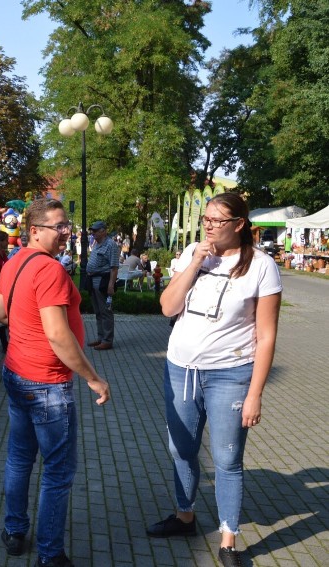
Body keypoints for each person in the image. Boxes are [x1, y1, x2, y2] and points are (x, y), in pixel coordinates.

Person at [146, 193, 281, 567]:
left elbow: (267, 335)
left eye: (216, 221)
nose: (207, 225)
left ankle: (228, 541)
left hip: (231, 374)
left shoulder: (262, 266)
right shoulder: (194, 252)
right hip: (180, 369)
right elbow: (167, 307)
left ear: (238, 225)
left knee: (227, 458)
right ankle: (184, 516)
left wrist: (255, 394)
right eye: (205, 219)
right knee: (181, 449)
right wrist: (194, 263)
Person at [0, 198, 110, 567]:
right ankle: (49, 554)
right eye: (58, 226)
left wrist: (25, 326)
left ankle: (14, 531)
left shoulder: (14, 262)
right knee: (57, 472)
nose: (66, 232)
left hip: (16, 373)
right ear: (35, 231)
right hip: (46, 385)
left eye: (66, 225)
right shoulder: (51, 270)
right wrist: (93, 378)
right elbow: (60, 337)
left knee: (20, 457)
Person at [85, 220, 119, 350]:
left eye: (95, 231)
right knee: (98, 311)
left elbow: (114, 267)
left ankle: (107, 340)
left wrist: (111, 285)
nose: (93, 233)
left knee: (105, 312)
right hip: (93, 281)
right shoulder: (97, 244)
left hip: (102, 281)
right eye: (92, 231)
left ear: (103, 231)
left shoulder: (110, 245)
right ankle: (101, 338)